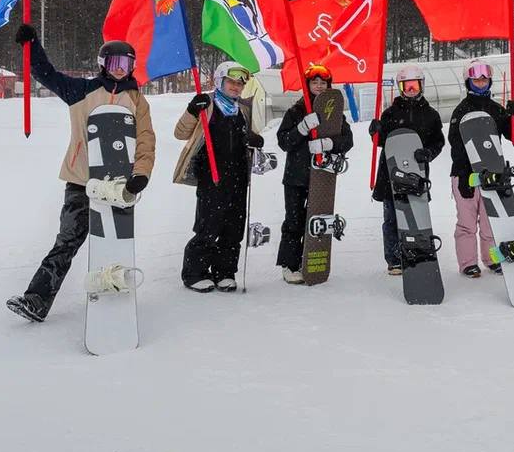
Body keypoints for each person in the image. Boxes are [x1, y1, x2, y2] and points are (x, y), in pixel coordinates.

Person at [5, 25, 156, 322]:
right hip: (80, 180)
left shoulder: (137, 100)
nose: (120, 69)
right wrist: (32, 45)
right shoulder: (81, 91)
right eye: (115, 63)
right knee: (67, 241)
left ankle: (116, 296)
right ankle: (36, 300)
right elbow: (47, 74)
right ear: (103, 64)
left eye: (126, 64)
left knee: (114, 241)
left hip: (118, 186)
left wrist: (141, 174)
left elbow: (146, 139)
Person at [173, 61, 263, 292]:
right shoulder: (208, 105)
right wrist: (192, 110)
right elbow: (180, 133)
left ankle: (224, 272)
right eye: (231, 82)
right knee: (208, 225)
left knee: (233, 227)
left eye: (240, 84)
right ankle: (195, 273)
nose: (236, 87)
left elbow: (251, 135)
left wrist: (255, 139)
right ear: (219, 81)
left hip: (238, 177)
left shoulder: (242, 109)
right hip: (212, 175)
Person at [274, 63, 355, 284]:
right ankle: (290, 264)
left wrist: (329, 143)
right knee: (294, 220)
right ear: (307, 85)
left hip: (322, 176)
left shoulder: (334, 112)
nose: (319, 86)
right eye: (314, 82)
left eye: (323, 83)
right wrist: (301, 128)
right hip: (296, 176)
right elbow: (283, 141)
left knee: (317, 219)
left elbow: (348, 140)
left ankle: (311, 259)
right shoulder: (296, 111)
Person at [446, 59, 514, 277]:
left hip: (492, 174)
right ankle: (468, 262)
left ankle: (491, 259)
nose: (481, 82)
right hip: (466, 175)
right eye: (476, 79)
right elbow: (456, 144)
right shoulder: (461, 110)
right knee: (467, 223)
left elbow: (513, 136)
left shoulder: (495, 109)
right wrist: (463, 176)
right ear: (468, 82)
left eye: (484, 79)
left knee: (491, 222)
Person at [370, 65, 445, 275]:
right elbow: (381, 141)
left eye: (415, 85)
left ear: (422, 85)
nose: (411, 90)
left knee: (416, 215)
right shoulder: (390, 113)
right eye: (407, 86)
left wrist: (428, 152)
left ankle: (416, 251)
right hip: (391, 175)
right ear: (400, 87)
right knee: (392, 218)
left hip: (416, 174)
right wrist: (375, 132)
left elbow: (438, 141)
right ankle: (394, 258)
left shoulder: (430, 115)